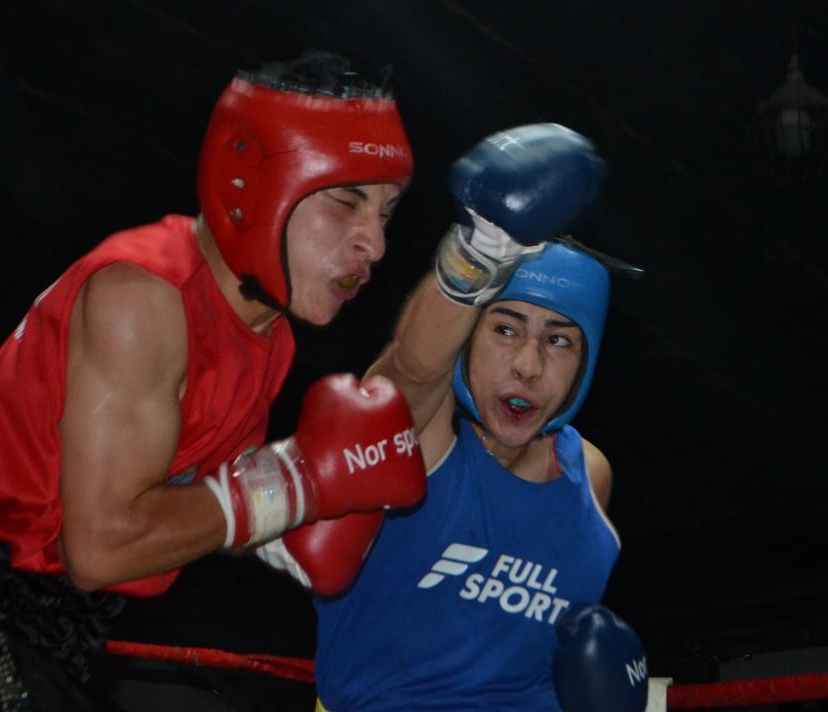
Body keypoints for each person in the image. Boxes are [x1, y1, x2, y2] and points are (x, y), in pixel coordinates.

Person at [0, 51, 428, 711]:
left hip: (62, 639)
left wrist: (288, 526)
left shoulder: (267, 340)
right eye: (347, 202)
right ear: (258, 181)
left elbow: (198, 500)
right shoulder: (143, 294)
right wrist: (298, 483)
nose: (374, 244)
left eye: (385, 214)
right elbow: (101, 547)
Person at [258, 124, 648, 710]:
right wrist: (476, 255)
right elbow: (411, 369)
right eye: (506, 330)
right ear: (468, 338)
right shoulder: (416, 441)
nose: (528, 366)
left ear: (586, 362)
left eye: (559, 341)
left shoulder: (590, 477)